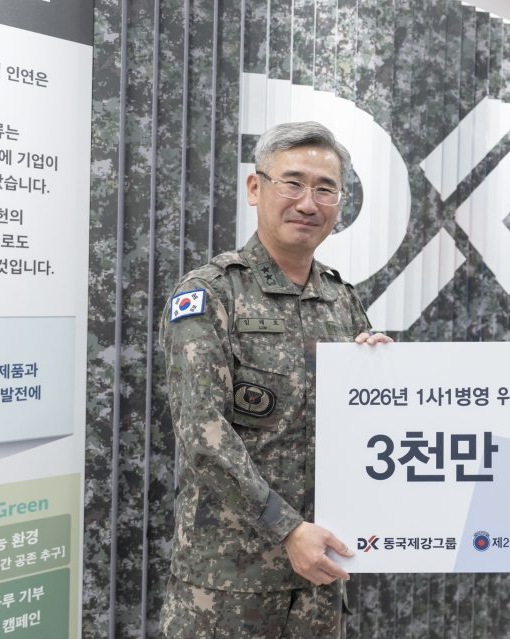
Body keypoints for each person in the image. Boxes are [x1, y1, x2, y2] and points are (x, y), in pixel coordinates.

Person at [158, 122, 391, 638]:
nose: (308, 203)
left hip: (320, 579)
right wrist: (287, 530)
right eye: (293, 183)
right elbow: (203, 435)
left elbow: (360, 431)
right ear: (255, 187)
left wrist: (384, 379)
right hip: (227, 588)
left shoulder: (342, 300)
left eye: (325, 189)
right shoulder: (210, 294)